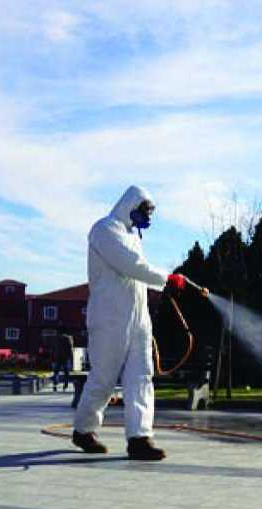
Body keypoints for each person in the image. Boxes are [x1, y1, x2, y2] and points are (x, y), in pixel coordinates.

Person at [72, 185, 188, 461]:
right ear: (129, 204)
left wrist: (163, 285)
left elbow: (136, 272)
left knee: (141, 377)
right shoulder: (104, 229)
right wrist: (166, 278)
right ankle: (83, 430)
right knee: (104, 378)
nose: (145, 217)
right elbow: (130, 264)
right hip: (109, 318)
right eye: (143, 209)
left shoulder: (133, 236)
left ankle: (140, 438)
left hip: (138, 318)